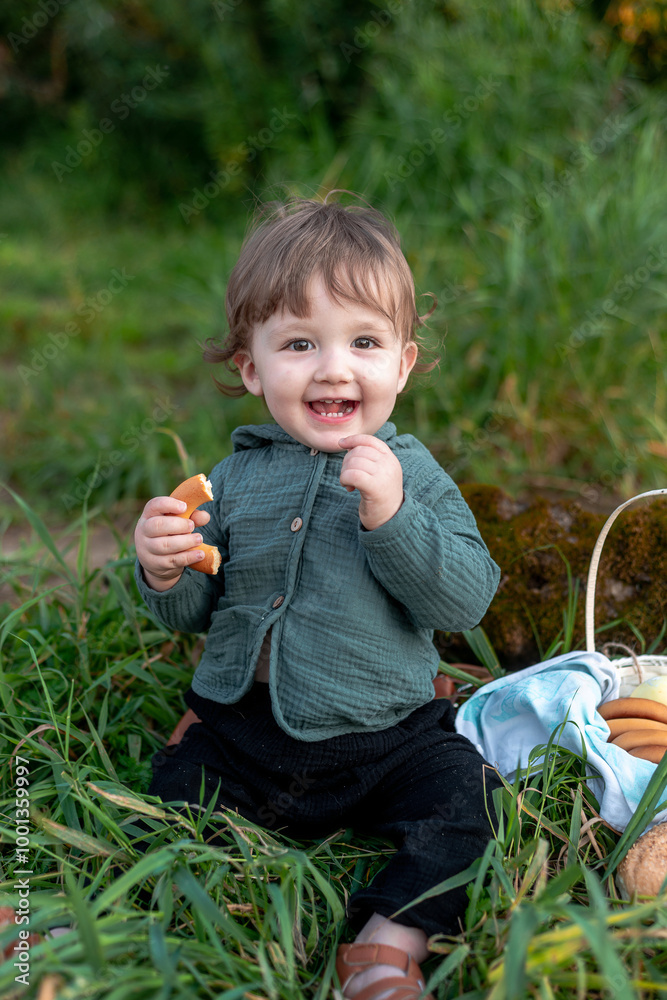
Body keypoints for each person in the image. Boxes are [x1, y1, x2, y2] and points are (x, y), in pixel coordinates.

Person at [133, 194, 502, 1000]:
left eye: (363, 342)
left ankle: (386, 942)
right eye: (299, 343)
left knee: (466, 802)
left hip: (385, 739)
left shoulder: (413, 476)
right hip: (245, 734)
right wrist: (163, 572)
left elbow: (465, 601)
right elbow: (198, 611)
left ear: (401, 365)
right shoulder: (230, 482)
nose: (334, 368)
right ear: (251, 367)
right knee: (171, 796)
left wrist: (394, 517)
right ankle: (120, 912)